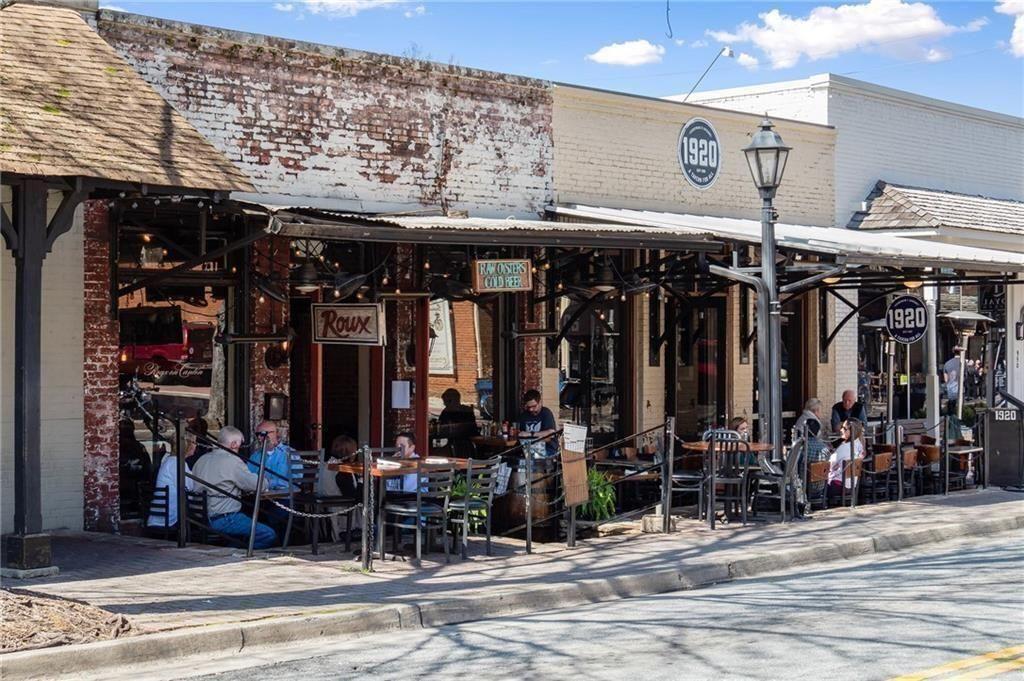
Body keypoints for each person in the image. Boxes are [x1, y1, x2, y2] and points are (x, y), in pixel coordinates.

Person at [192, 426, 277, 549]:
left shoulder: (201, 459)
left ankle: (232, 549)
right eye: (240, 445)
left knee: (245, 528)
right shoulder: (232, 461)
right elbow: (256, 485)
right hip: (224, 518)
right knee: (268, 534)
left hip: (200, 518)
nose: (240, 448)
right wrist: (267, 481)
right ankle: (239, 554)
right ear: (233, 444)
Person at [147, 436, 196, 531]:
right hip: (168, 517)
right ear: (188, 446)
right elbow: (189, 488)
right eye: (194, 443)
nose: (196, 446)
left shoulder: (171, 460)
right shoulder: (176, 463)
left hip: (161, 514)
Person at [247, 420, 298, 491]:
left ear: (275, 433)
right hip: (261, 497)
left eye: (262, 434)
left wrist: (269, 483)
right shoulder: (255, 456)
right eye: (257, 434)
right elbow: (248, 478)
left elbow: (296, 481)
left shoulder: (290, 453)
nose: (259, 438)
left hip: (285, 497)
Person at [119, 419, 152, 514]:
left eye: (128, 429)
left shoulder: (139, 447)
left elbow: (147, 468)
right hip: (124, 488)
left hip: (136, 488)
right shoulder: (114, 448)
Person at [827, 419, 866, 498]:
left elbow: (829, 466)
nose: (841, 430)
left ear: (852, 431)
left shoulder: (844, 447)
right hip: (852, 485)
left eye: (844, 428)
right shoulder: (859, 443)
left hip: (839, 486)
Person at [517, 389, 558, 457]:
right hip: (528, 449)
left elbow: (551, 433)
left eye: (534, 406)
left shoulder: (546, 413)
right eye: (529, 407)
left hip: (547, 448)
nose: (531, 409)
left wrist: (530, 434)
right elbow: (521, 434)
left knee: (532, 458)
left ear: (540, 402)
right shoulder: (524, 415)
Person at [330, 434, 362, 499]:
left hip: (323, 505)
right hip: (340, 505)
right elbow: (354, 497)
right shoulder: (344, 470)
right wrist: (361, 479)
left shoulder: (326, 463)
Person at [943, 349, 962, 413]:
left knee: (951, 411)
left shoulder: (947, 363)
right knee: (960, 411)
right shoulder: (963, 363)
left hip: (950, 390)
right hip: (960, 390)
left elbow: (945, 379)